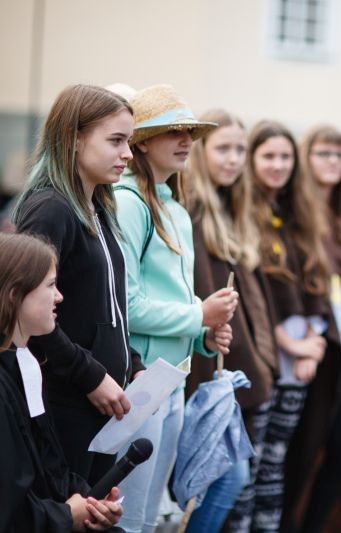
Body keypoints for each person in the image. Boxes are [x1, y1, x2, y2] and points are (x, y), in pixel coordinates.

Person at [113, 85, 238, 533]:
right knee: (128, 519)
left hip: (174, 379)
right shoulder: (129, 203)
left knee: (148, 520)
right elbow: (125, 305)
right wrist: (198, 317)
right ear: (141, 141)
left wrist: (203, 338)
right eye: (173, 132)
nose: (186, 140)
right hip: (141, 377)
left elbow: (169, 301)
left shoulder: (173, 207)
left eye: (190, 131)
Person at [13, 84, 145, 485]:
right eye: (116, 141)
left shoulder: (99, 207)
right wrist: (90, 375)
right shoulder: (50, 209)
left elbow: (105, 307)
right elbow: (26, 314)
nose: (127, 154)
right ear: (74, 139)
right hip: (64, 402)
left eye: (130, 142)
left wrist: (133, 366)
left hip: (103, 405)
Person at [226, 120, 329, 533]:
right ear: (251, 160)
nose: (278, 165)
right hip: (265, 359)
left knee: (275, 465)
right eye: (268, 156)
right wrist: (292, 347)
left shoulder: (297, 214)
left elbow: (317, 283)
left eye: (285, 156)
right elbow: (257, 294)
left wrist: (313, 343)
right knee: (247, 469)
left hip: (298, 364)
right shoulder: (242, 214)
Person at [183, 109, 278, 533]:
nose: (234, 159)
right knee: (219, 480)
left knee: (231, 478)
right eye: (223, 148)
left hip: (230, 365)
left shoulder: (232, 208)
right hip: (202, 365)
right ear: (201, 152)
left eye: (240, 149)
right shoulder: (194, 208)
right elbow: (206, 297)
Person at [282, 125, 341, 532]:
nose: (333, 162)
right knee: (301, 451)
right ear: (306, 158)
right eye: (323, 153)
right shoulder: (293, 216)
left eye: (340, 155)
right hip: (306, 348)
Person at [0, 232, 125, 532]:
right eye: (51, 285)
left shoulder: (26, 364)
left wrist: (89, 501)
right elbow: (8, 509)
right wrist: (67, 516)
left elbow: (49, 465)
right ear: (16, 293)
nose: (60, 296)